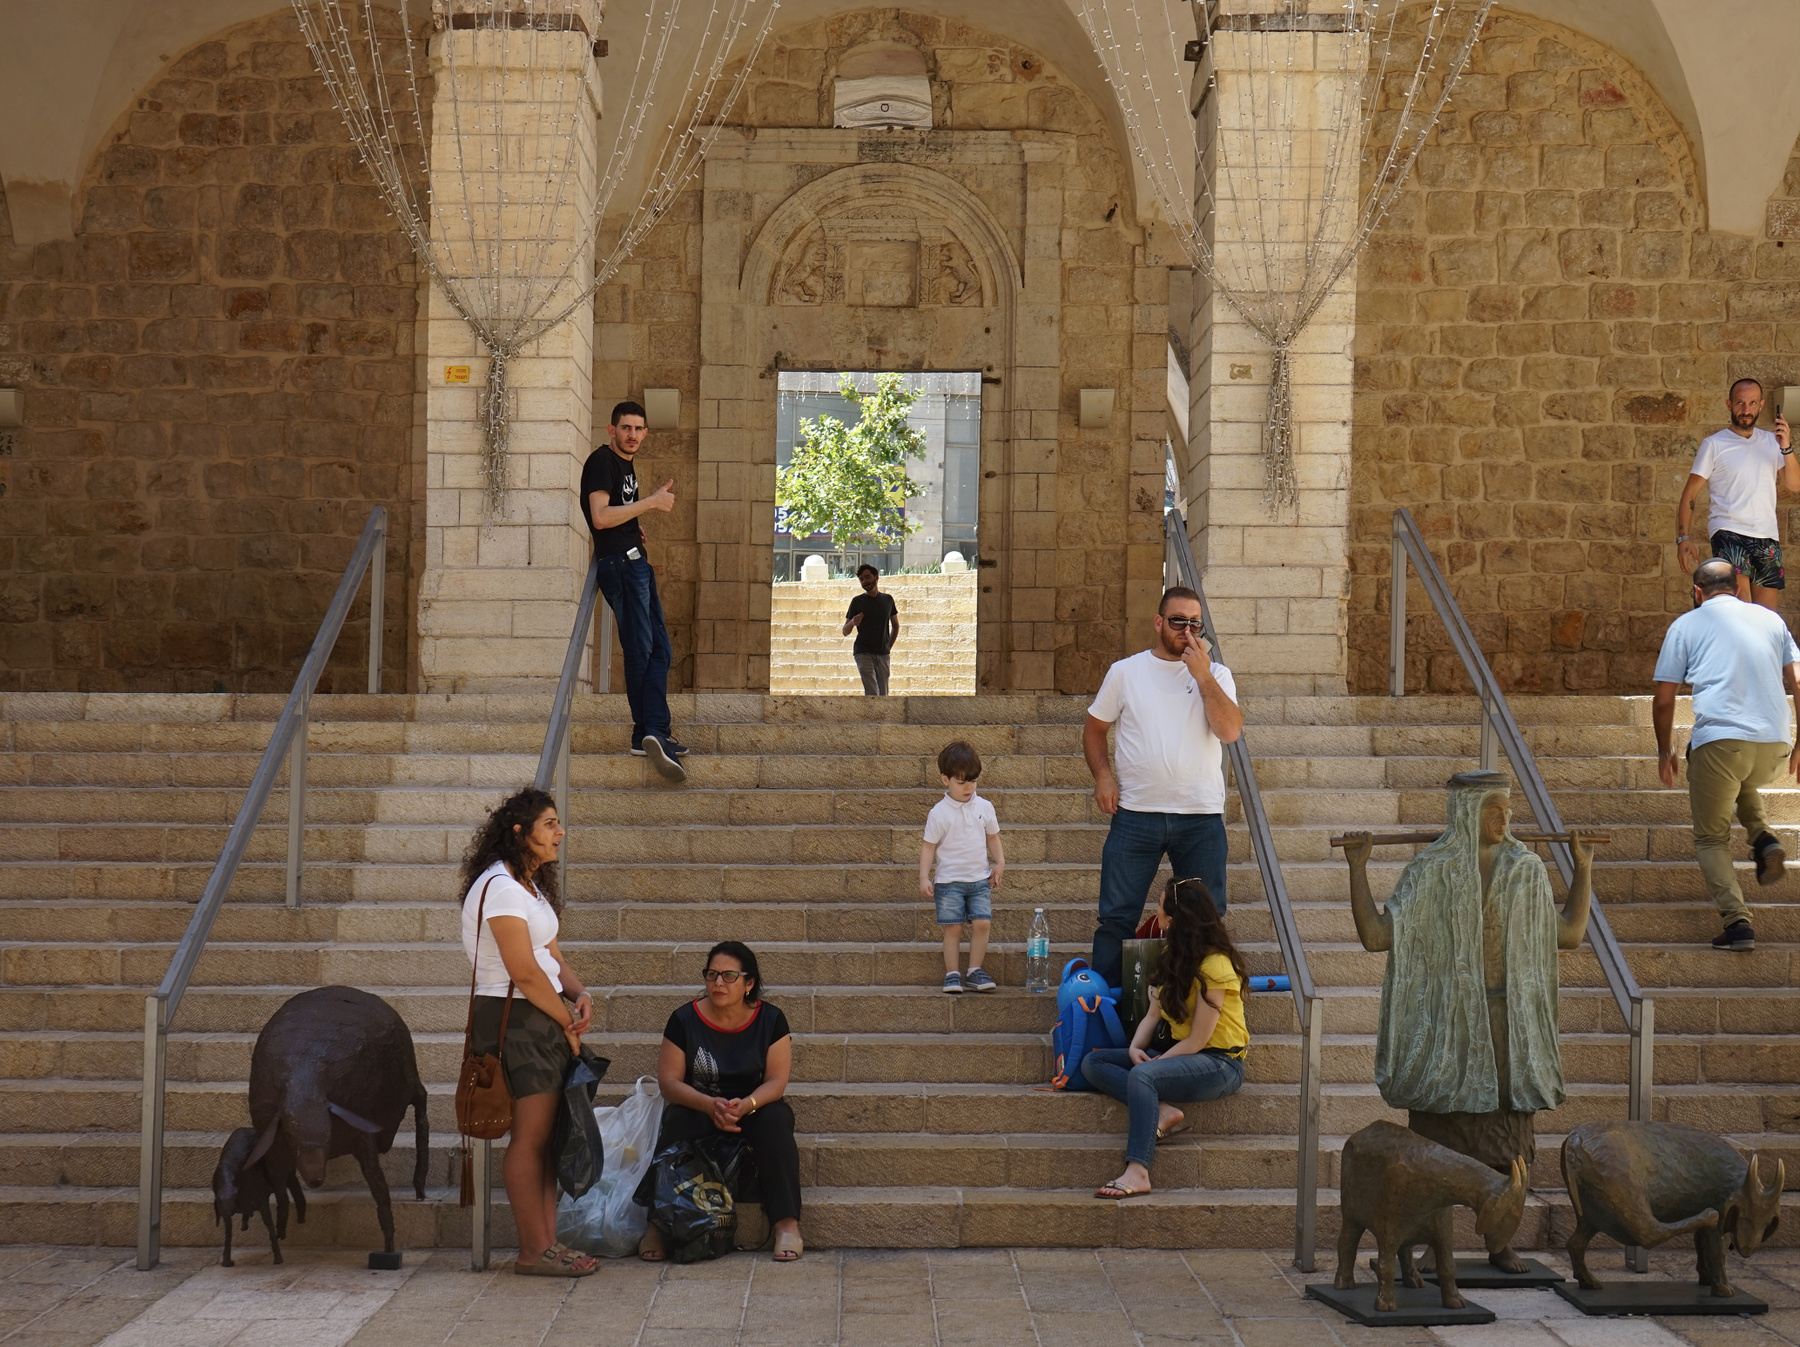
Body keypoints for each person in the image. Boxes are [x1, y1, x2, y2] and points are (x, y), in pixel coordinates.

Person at [1342, 771, 1593, 1272]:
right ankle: (1431, 1246)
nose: (1505, 818)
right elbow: (1376, 936)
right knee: (1437, 1142)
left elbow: (1568, 935)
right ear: (1465, 813)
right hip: (1448, 1031)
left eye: (1508, 810)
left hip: (1508, 1029)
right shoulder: (1430, 872)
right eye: (1493, 810)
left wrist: (1583, 869)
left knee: (1508, 1139)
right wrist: (1358, 869)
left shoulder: (1525, 870)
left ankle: (1501, 1242)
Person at [459, 787, 598, 1277]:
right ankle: (533, 1251)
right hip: (513, 1017)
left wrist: (579, 993)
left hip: (540, 1014)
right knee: (531, 1138)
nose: (561, 833)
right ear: (520, 832)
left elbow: (550, 956)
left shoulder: (528, 887)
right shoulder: (500, 887)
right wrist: (566, 1022)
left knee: (548, 1139)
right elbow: (522, 971)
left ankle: (548, 1243)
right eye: (550, 824)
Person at [1083, 586, 1243, 988]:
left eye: (1195, 624)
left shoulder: (1217, 675)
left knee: (1206, 919)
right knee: (1116, 916)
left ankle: (1201, 1005)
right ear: (1158, 623)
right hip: (1136, 815)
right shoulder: (1126, 672)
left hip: (1200, 816)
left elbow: (1229, 731)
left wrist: (1202, 675)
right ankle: (1104, 1006)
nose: (1187, 631)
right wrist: (1103, 776)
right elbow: (1095, 728)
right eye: (1177, 621)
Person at [1653, 555, 1800, 951]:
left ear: (1697, 592)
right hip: (1774, 745)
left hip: (1722, 744)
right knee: (1730, 775)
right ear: (1738, 589)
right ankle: (1762, 837)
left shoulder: (1685, 625)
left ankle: (1737, 923)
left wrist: (1665, 751)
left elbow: (1664, 700)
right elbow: (1798, 680)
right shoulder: (1771, 620)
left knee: (1710, 838)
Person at [1081, 876, 1248, 1199]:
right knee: (1094, 1062)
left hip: (1220, 1063)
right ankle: (1161, 1110)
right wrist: (1135, 1048)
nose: (1154, 913)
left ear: (1173, 919)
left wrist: (1151, 1066)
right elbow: (1153, 1014)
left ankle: (1138, 1171)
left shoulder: (1216, 966)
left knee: (1143, 1076)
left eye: (1159, 907)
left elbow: (1198, 1041)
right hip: (1184, 1055)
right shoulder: (1174, 953)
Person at [635, 942, 804, 1262]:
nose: (718, 983)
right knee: (677, 1120)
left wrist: (747, 1104)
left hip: (752, 1107)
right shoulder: (684, 1019)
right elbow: (670, 1082)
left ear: (749, 983)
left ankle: (786, 1224)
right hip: (701, 1106)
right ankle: (656, 1225)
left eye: (729, 976)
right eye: (712, 975)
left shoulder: (771, 1019)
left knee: (776, 1120)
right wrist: (708, 1105)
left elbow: (776, 1081)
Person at [582, 399, 688, 780]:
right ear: (612, 430)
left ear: (645, 432)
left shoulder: (624, 464)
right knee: (642, 651)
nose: (632, 435)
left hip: (633, 561)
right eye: (626, 428)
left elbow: (615, 512)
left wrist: (632, 524)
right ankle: (651, 731)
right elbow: (599, 516)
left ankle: (649, 732)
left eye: (638, 429)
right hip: (622, 566)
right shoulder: (602, 461)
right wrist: (651, 504)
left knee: (660, 650)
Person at [1675, 378, 1798, 611]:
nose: (1746, 409)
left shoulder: (1772, 442)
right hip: (1728, 533)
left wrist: (1786, 447)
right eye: (1740, 403)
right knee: (1741, 612)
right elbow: (1689, 494)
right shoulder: (1714, 444)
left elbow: (1794, 484)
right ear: (1729, 404)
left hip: (1767, 536)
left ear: (1761, 405)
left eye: (1752, 403)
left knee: (1765, 618)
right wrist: (1683, 538)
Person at [919, 739, 1006, 993]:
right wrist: (924, 877)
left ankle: (974, 971)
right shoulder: (939, 813)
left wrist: (1000, 862)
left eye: (973, 781)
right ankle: (952, 974)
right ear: (945, 780)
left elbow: (993, 837)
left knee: (983, 923)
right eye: (961, 782)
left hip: (979, 880)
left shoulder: (984, 807)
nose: (968, 787)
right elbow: (928, 847)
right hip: (948, 882)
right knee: (954, 927)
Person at [842, 563, 900, 696]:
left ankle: (882, 711)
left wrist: (888, 647)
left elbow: (895, 625)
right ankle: (873, 710)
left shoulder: (888, 599)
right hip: (863, 652)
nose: (864, 581)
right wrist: (853, 622)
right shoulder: (857, 601)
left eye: (867, 577)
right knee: (872, 692)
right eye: (861, 579)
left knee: (883, 693)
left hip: (883, 653)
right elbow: (845, 631)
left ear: (876, 577)